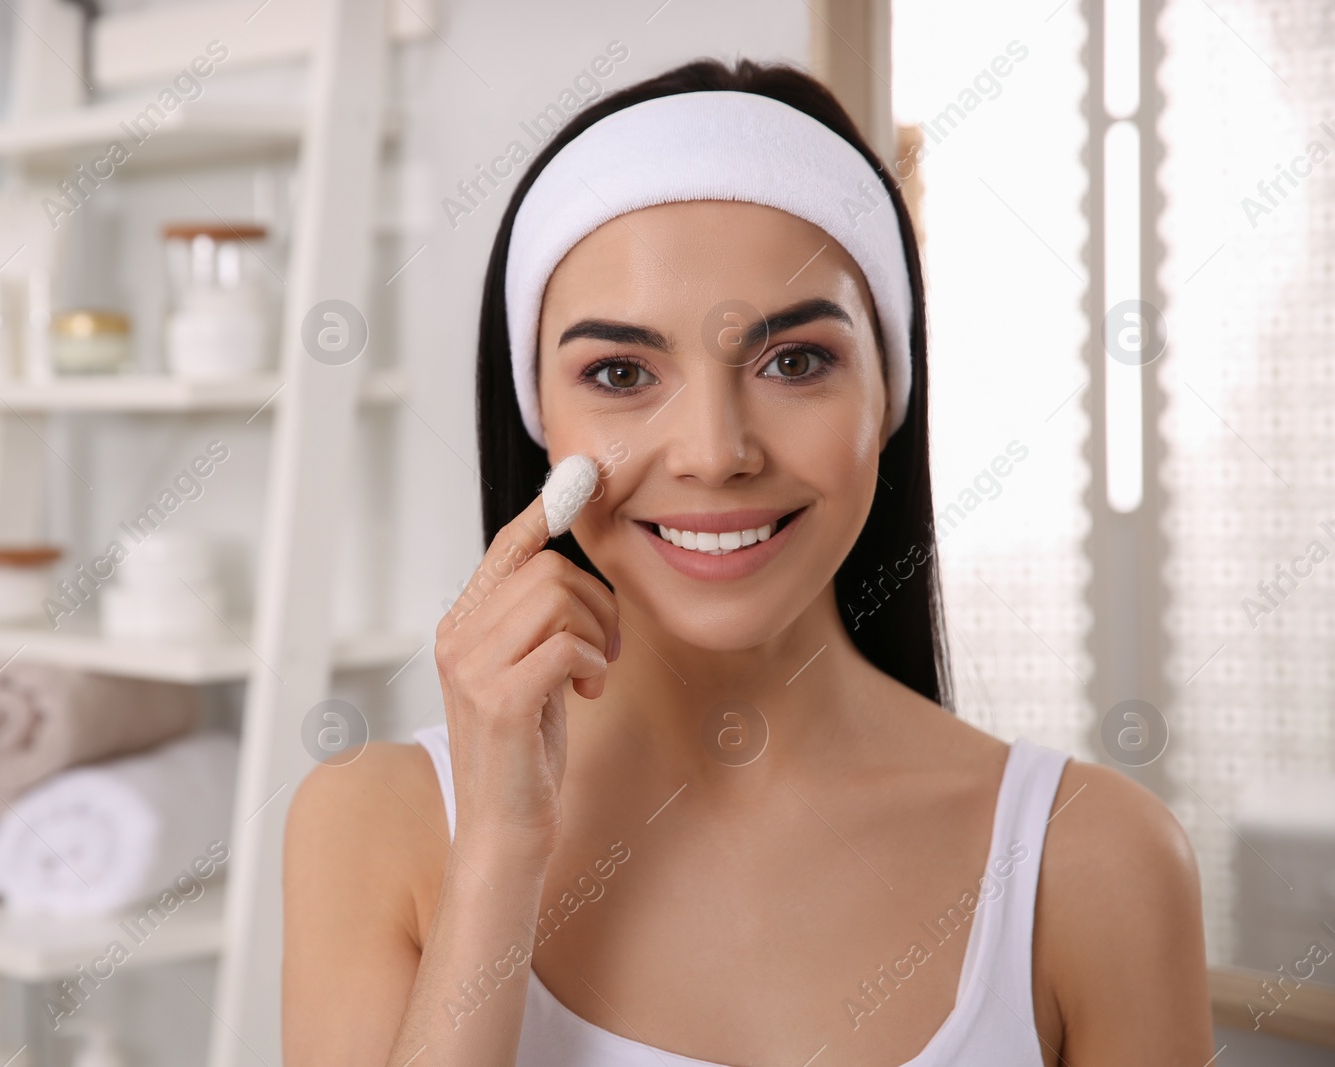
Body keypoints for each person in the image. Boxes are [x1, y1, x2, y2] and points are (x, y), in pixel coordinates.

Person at [284, 57, 1213, 1066]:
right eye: (621, 371)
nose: (715, 450)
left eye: (795, 360)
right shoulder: (372, 826)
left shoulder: (1093, 861)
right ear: (539, 418)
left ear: (888, 396)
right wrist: (498, 857)